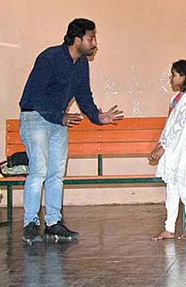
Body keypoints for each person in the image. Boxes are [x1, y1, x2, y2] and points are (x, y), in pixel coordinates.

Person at [18, 18, 124, 244]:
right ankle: (31, 223)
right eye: (91, 38)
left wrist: (97, 116)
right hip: (35, 116)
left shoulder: (81, 64)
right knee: (39, 170)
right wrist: (59, 117)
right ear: (77, 40)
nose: (94, 43)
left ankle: (54, 223)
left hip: (58, 119)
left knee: (56, 173)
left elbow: (83, 95)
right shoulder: (49, 58)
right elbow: (35, 95)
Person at [149, 60, 186, 241]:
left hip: (183, 152)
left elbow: (179, 127)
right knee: (172, 190)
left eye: (174, 75)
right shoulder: (177, 98)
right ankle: (169, 228)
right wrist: (160, 145)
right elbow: (169, 126)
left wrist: (163, 147)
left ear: (183, 76)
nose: (171, 78)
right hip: (172, 151)